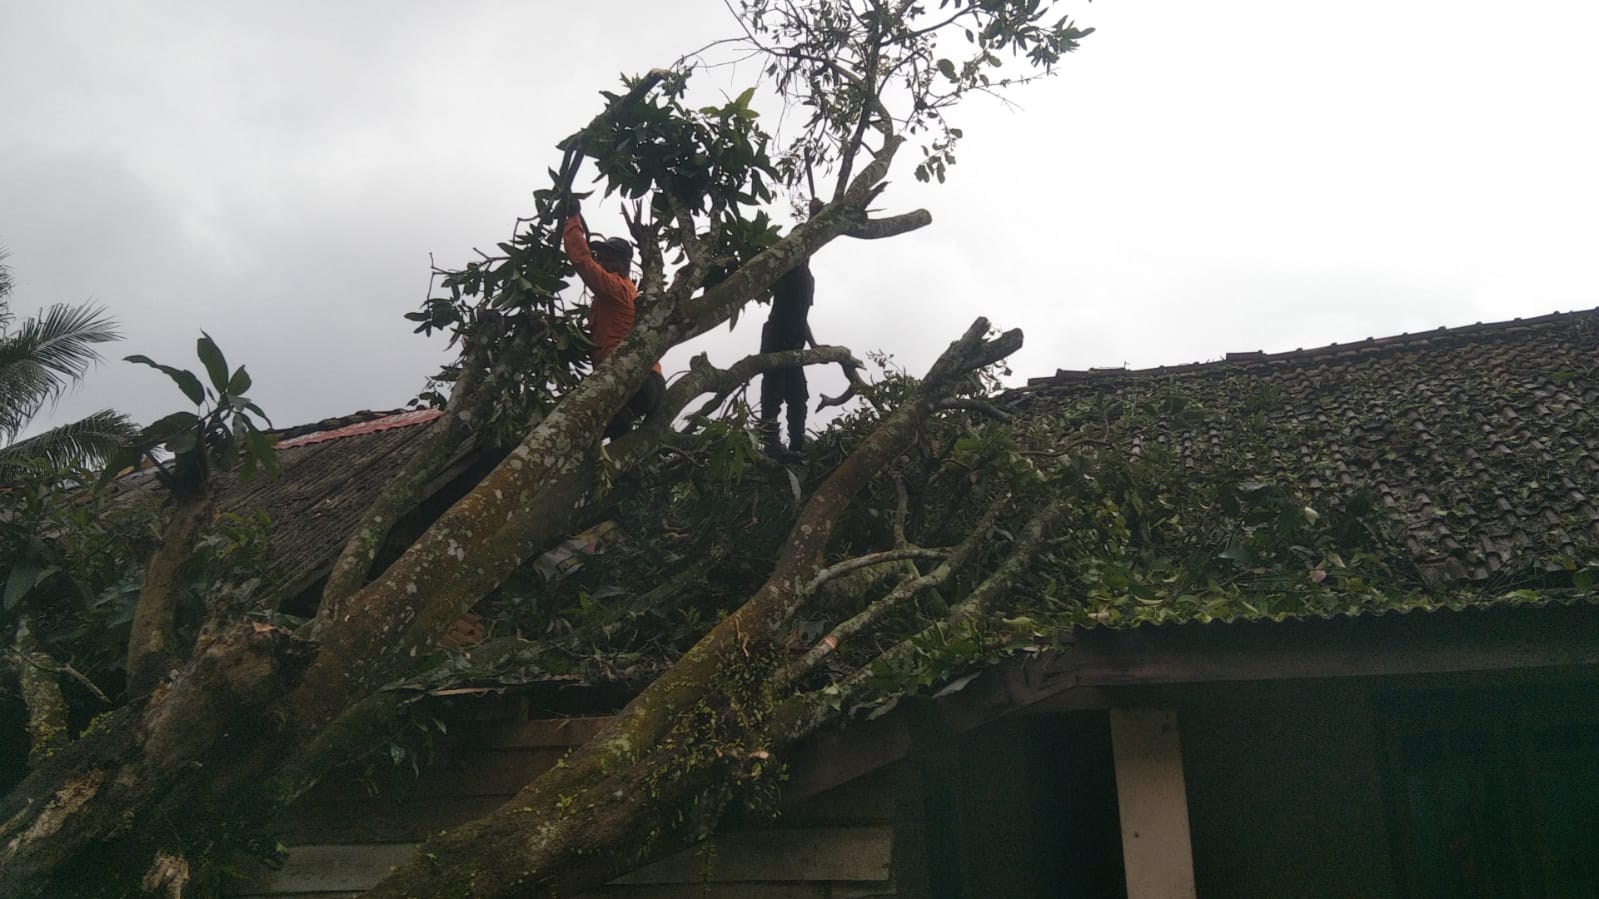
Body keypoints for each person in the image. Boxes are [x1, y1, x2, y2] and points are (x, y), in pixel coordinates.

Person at [562, 201, 664, 439]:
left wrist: (572, 218)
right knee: (607, 434)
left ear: (625, 265)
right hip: (650, 383)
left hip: (635, 380)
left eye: (609, 259)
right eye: (602, 258)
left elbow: (582, 262)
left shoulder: (617, 288)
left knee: (576, 430)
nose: (603, 263)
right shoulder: (624, 294)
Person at [758, 260, 815, 463]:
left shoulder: (808, 278)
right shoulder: (786, 270)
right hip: (776, 338)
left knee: (798, 395)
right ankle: (771, 443)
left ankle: (798, 444)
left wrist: (814, 344)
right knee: (773, 394)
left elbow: (803, 316)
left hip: (795, 344)